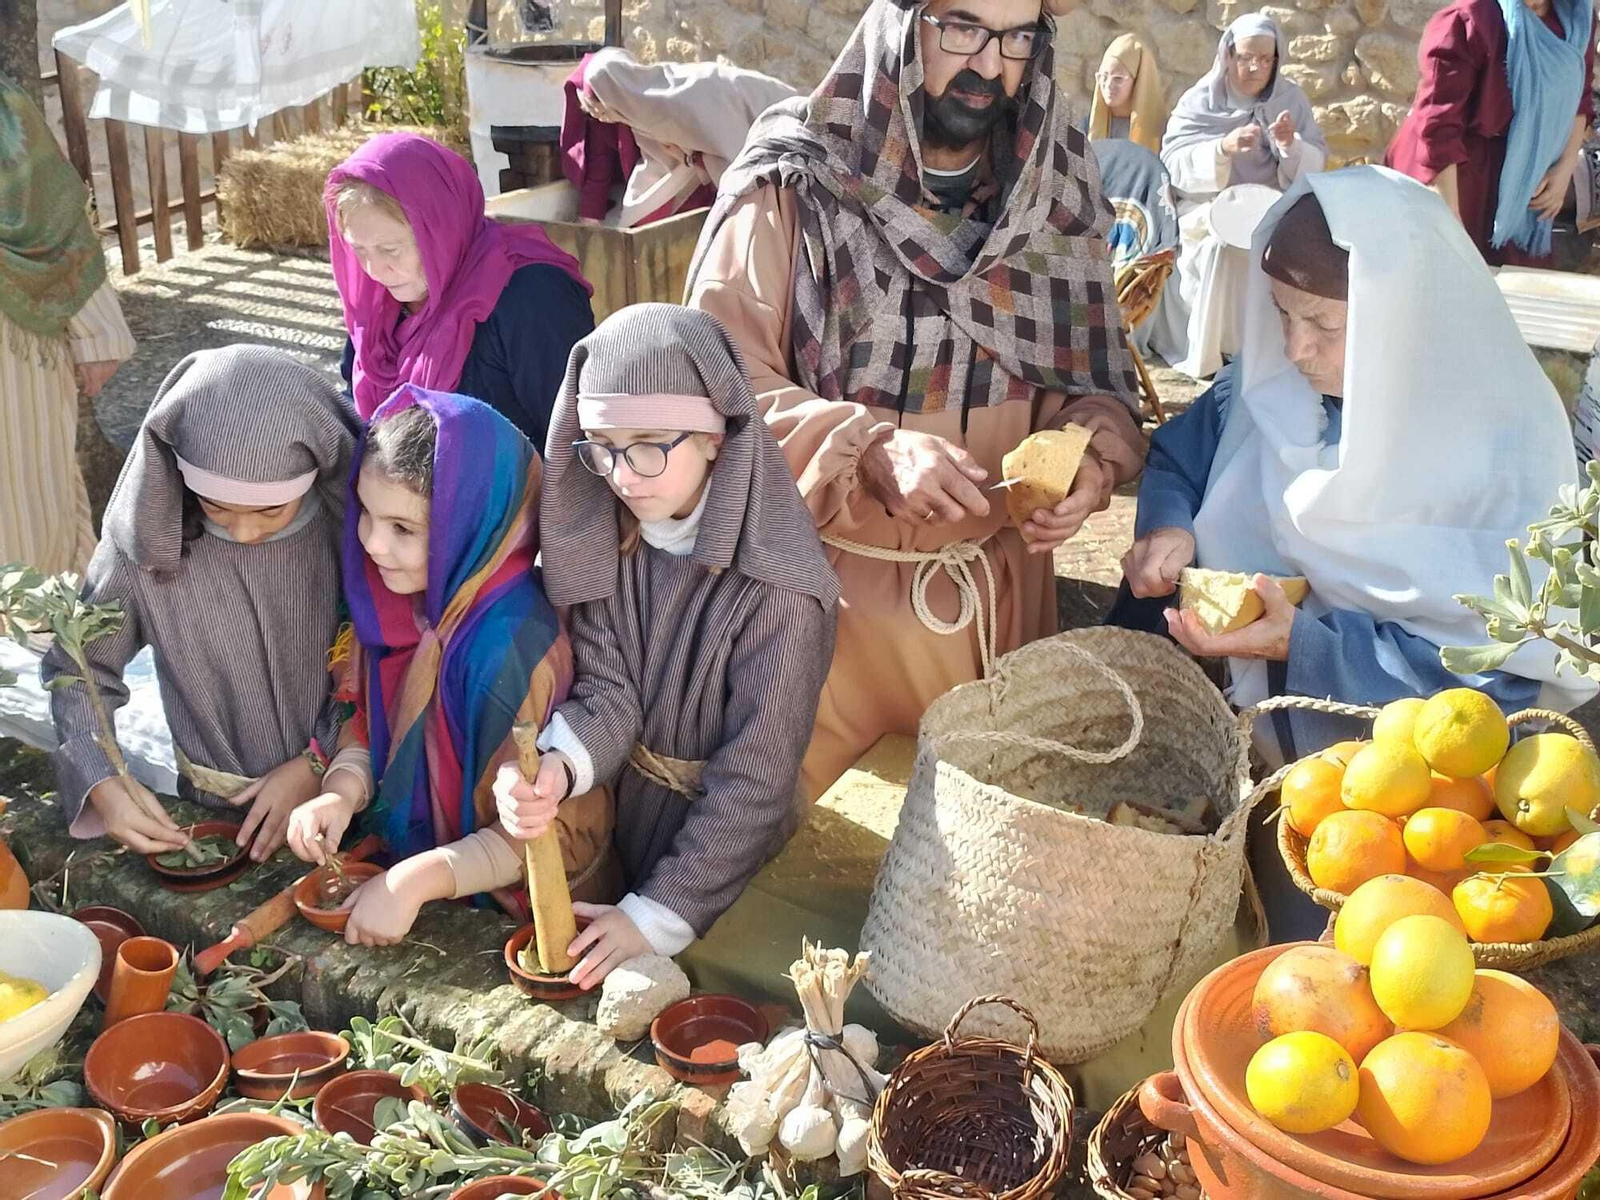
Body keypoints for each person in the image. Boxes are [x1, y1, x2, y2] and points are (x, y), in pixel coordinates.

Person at [687, 0, 1146, 797]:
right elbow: (707, 384)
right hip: (822, 634)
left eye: (1015, 37)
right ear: (901, 29)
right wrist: (866, 447)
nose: (989, 64)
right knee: (803, 895)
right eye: (962, 28)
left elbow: (1098, 388)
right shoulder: (797, 183)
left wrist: (1088, 465)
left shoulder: (1054, 188)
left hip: (999, 628)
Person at [1116, 168, 1591, 757]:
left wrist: (1313, 648)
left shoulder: (1503, 448)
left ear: (1403, 319)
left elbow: (1502, 677)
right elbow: (1178, 461)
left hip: (1377, 785)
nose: (1293, 348)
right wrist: (1168, 526)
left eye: (1325, 325)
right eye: (1282, 314)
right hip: (1212, 735)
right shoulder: (1264, 387)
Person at [495, 304, 837, 988]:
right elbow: (610, 690)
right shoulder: (613, 539)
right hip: (632, 815)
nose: (622, 475)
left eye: (649, 443)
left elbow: (754, 781)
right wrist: (559, 769)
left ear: (716, 435)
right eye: (602, 446)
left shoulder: (781, 589)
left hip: (735, 858)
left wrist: (656, 913)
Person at [285, 387, 614, 947]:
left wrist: (414, 882)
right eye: (365, 512)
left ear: (474, 530)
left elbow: (541, 833)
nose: (372, 544)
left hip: (520, 919)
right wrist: (342, 790)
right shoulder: (395, 606)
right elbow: (368, 723)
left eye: (404, 529)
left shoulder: (509, 655)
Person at [42, 346, 357, 862]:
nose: (244, 530)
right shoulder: (145, 547)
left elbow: (387, 662)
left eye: (271, 510)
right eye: (215, 504)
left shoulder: (354, 534)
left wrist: (320, 763)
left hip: (347, 805)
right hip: (213, 818)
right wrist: (100, 776)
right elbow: (80, 669)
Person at [326, 132, 596, 450]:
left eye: (390, 248)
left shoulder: (533, 298)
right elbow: (354, 411)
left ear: (441, 228)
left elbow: (574, 442)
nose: (374, 270)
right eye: (359, 250)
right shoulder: (379, 308)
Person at [0, 68, 134, 576]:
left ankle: (38, 645)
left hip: (12, 345)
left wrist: (97, 330)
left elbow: (52, 216)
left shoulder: (5, 115)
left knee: (25, 512)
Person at [1156, 14, 1327, 380]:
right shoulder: (1201, 100)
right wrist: (1221, 148)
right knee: (1223, 245)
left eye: (1266, 59)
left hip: (1273, 205)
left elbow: (1314, 166)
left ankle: (1269, 349)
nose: (1255, 67)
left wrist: (1289, 145)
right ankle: (1217, 349)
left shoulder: (1290, 99)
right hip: (1207, 207)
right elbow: (1171, 162)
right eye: (1247, 57)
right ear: (1229, 55)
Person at [1385, 0, 1594, 266]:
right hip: (1452, 174)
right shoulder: (1468, 20)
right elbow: (1439, 125)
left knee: (1512, 292)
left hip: (1520, 181)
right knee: (1442, 276)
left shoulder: (1577, 20)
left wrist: (1564, 171)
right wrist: (1448, 215)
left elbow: (1580, 100)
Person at [561, 47, 797, 227]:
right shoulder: (641, 108)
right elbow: (666, 158)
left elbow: (728, 142)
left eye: (600, 110)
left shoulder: (675, 99)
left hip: (773, 115)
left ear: (613, 95)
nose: (600, 118)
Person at [1087, 34, 1167, 153]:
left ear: (1138, 82)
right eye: (1103, 77)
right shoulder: (1084, 128)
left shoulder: (1162, 134)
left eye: (1118, 79)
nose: (1108, 85)